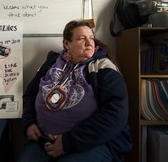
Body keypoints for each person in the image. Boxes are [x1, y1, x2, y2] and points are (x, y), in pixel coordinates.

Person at [17, 19, 132, 162]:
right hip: (43, 139)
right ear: (66, 44)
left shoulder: (103, 67)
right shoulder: (53, 62)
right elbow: (30, 93)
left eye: (91, 38)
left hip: (91, 143)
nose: (89, 43)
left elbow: (116, 113)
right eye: (81, 38)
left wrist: (68, 142)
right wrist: (28, 122)